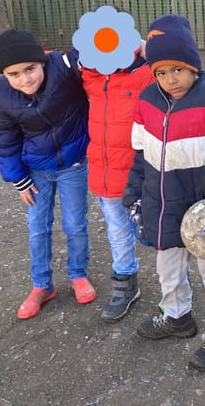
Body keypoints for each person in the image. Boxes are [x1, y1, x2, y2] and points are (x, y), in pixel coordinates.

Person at [122, 14, 205, 371]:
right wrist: (133, 197)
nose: (169, 79)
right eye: (160, 72)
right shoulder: (146, 101)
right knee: (168, 267)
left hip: (203, 213)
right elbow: (140, 155)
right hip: (162, 205)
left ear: (193, 65)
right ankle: (177, 316)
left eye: (177, 69)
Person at [0, 29, 96, 319]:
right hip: (35, 172)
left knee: (75, 224)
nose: (25, 79)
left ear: (42, 62)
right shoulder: (0, 94)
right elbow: (3, 140)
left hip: (72, 165)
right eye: (14, 74)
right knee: (38, 227)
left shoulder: (63, 66)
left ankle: (77, 274)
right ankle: (42, 285)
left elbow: (93, 50)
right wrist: (18, 180)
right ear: (4, 75)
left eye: (30, 69)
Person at [81, 37, 154, 322]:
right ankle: (125, 283)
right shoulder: (91, 78)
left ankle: (176, 286)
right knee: (118, 232)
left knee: (160, 230)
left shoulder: (145, 75)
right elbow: (54, 60)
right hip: (107, 176)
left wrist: (150, 49)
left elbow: (184, 69)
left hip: (142, 175)